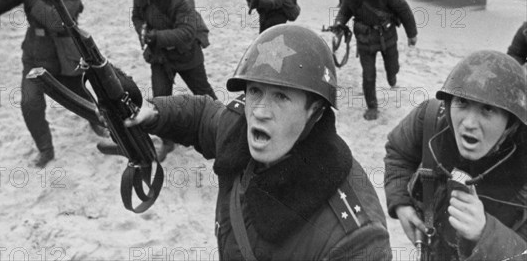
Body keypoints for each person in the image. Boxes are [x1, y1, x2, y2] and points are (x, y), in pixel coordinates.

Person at [124, 24, 392, 259]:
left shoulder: (355, 238)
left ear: (316, 111)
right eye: (255, 91)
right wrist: (152, 111)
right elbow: (203, 115)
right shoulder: (241, 127)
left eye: (281, 97)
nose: (260, 111)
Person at [384, 50, 527, 261]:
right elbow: (398, 153)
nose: (469, 123)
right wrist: (401, 203)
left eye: (487, 109)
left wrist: (485, 233)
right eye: (462, 102)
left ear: (511, 123)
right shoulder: (431, 119)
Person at [0, 0, 103, 167]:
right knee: (30, 104)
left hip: (64, 58)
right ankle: (45, 149)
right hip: (35, 57)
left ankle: (96, 121)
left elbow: (56, 22)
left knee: (81, 98)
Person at [131, 0, 216, 160]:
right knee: (160, 99)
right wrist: (143, 33)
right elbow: (137, 16)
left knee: (203, 94)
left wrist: (155, 37)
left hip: (186, 53)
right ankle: (167, 142)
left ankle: (220, 128)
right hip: (160, 57)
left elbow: (187, 31)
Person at [334, 0, 417, 120]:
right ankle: (372, 106)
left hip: (388, 38)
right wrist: (338, 24)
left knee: (392, 67)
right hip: (365, 41)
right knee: (368, 75)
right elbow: (344, 13)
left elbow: (404, 10)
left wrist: (411, 34)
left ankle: (392, 77)